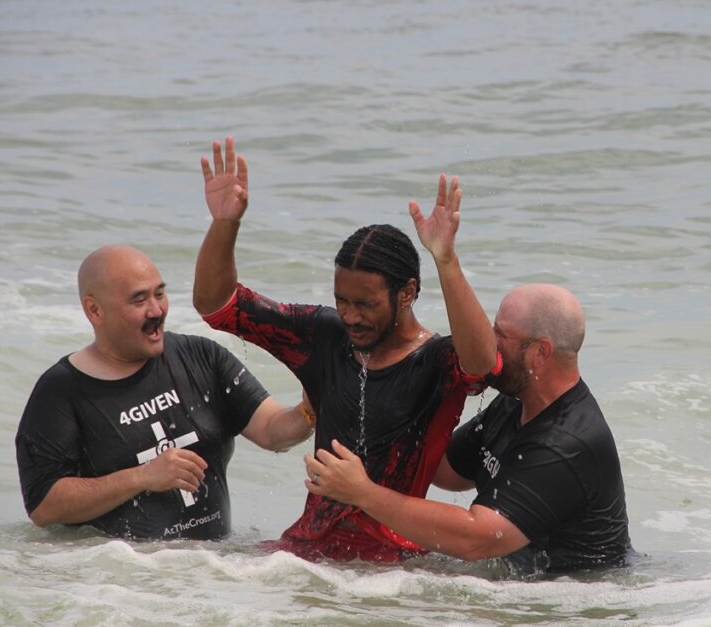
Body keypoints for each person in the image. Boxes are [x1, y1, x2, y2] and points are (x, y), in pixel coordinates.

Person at [193, 136, 499, 561]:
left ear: (407, 292)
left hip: (393, 567)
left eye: (366, 304)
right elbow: (218, 306)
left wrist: (446, 259)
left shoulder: (436, 362)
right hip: (305, 553)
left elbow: (483, 365)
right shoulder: (322, 333)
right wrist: (225, 224)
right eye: (343, 300)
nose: (351, 316)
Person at [305, 284, 632, 574]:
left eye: (500, 334)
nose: (488, 342)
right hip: (522, 580)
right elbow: (446, 471)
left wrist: (363, 492)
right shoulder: (514, 403)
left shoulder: (564, 443)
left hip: (580, 603)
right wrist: (386, 396)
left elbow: (477, 540)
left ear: (539, 352)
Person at [15, 245, 314, 540]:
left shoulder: (201, 356)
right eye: (139, 300)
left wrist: (307, 410)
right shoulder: (60, 391)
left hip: (216, 576)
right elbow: (44, 507)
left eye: (159, 294)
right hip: (119, 580)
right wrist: (142, 476)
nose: (157, 310)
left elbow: (272, 432)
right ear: (95, 310)